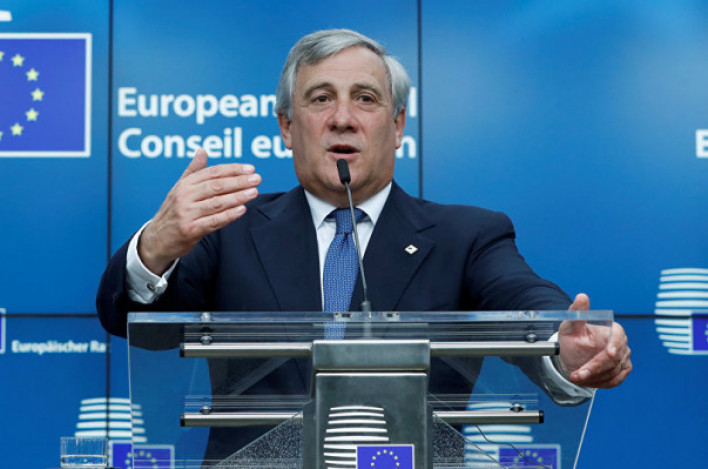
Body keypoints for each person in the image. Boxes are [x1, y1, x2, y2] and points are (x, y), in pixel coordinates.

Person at [97, 28, 631, 457]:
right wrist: (158, 244)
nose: (342, 118)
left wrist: (568, 344)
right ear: (287, 127)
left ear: (397, 126)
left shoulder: (467, 236)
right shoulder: (229, 228)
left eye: (366, 99)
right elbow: (130, 321)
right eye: (320, 99)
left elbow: (523, 298)